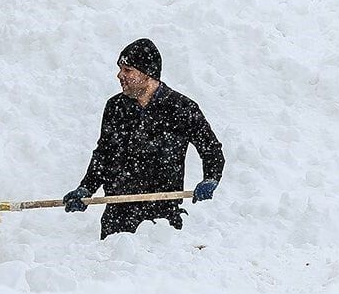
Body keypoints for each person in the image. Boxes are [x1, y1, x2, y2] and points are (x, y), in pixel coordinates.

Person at [63, 38, 225, 239]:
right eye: (120, 69)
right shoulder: (115, 108)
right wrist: (86, 188)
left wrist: (210, 178)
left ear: (147, 74)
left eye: (128, 70)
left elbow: (211, 149)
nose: (120, 75)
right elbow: (103, 155)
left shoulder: (182, 108)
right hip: (118, 216)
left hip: (162, 221)